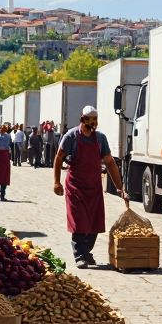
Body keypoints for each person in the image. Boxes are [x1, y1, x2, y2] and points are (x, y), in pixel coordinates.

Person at [53, 106, 125, 269]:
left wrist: (119, 187)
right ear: (83, 120)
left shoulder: (100, 139)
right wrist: (56, 182)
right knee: (79, 222)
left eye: (95, 119)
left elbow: (110, 162)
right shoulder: (71, 137)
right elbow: (58, 158)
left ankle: (86, 252)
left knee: (94, 224)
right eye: (90, 119)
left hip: (94, 187)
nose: (94, 123)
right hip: (75, 187)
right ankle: (79, 255)